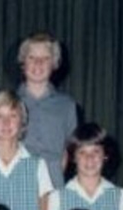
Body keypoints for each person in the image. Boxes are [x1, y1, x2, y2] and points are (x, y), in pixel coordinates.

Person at [16, 32, 79, 190]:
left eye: (45, 58)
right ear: (23, 62)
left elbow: (67, 151)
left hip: (53, 183)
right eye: (32, 58)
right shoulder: (9, 102)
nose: (38, 63)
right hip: (16, 180)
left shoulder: (67, 106)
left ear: (54, 63)